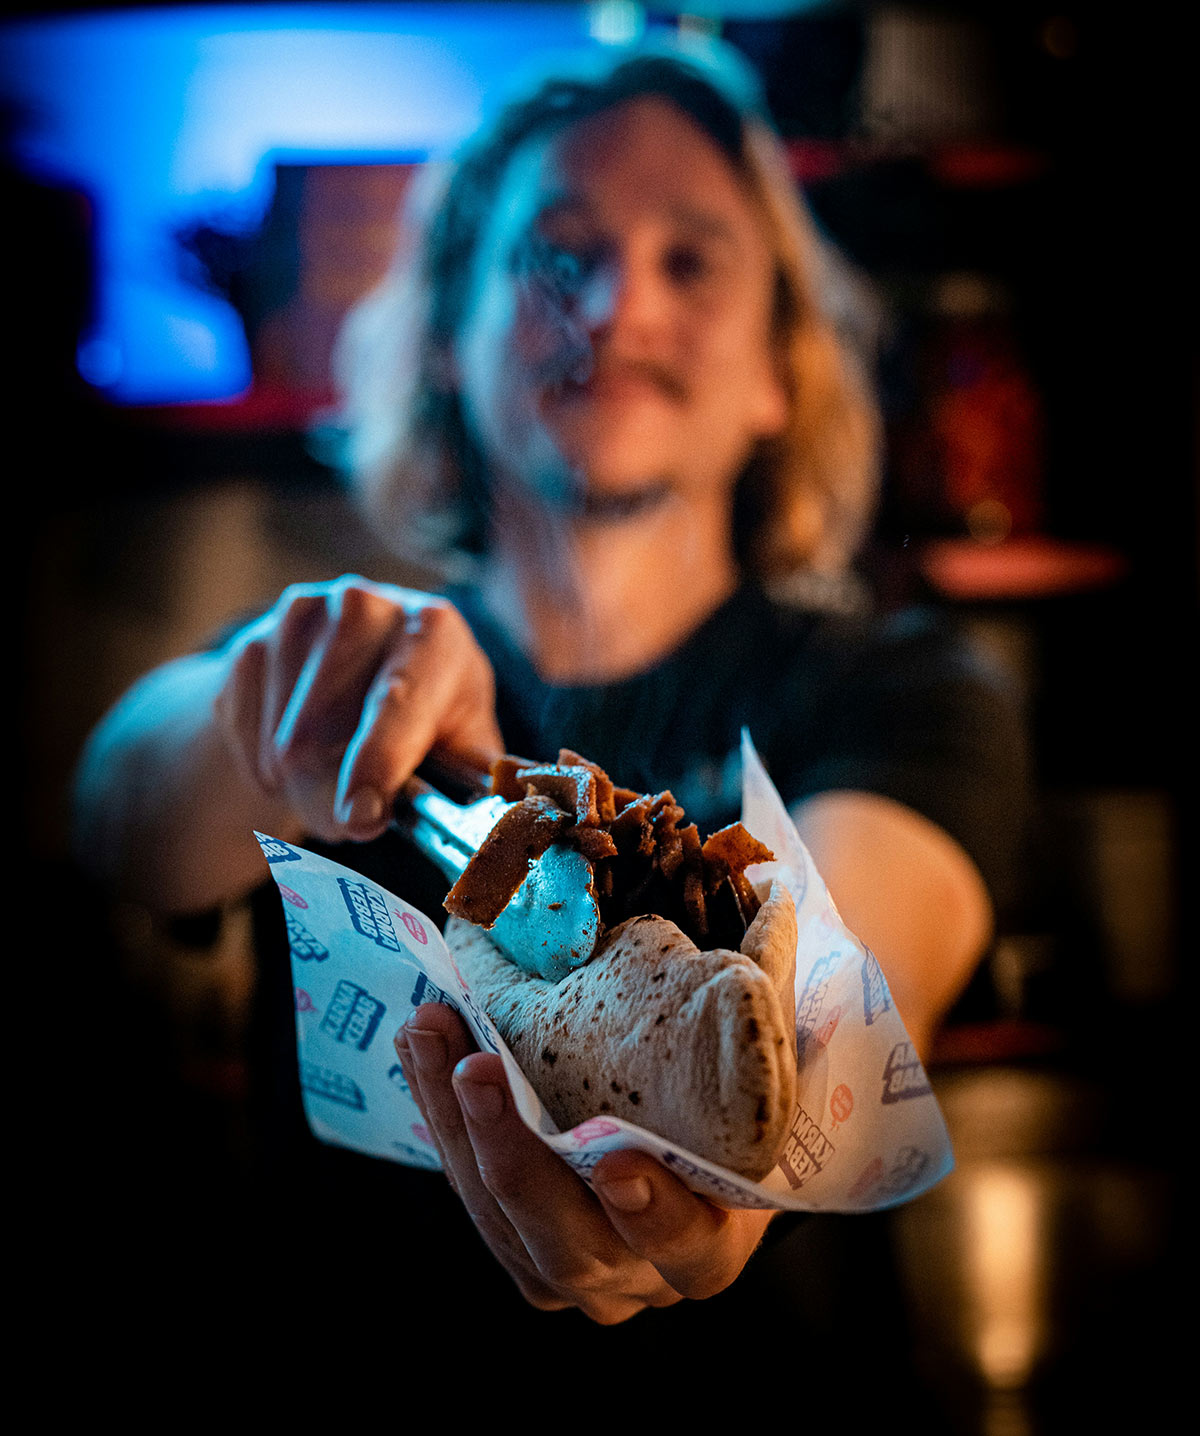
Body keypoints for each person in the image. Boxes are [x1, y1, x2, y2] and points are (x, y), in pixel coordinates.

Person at [73, 39, 1026, 1346]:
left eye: (690, 261)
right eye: (557, 254)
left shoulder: (905, 689)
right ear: (453, 341)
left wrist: (751, 1138)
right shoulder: (341, 677)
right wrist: (266, 711)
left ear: (773, 375)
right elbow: (115, 820)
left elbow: (850, 993)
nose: (620, 306)